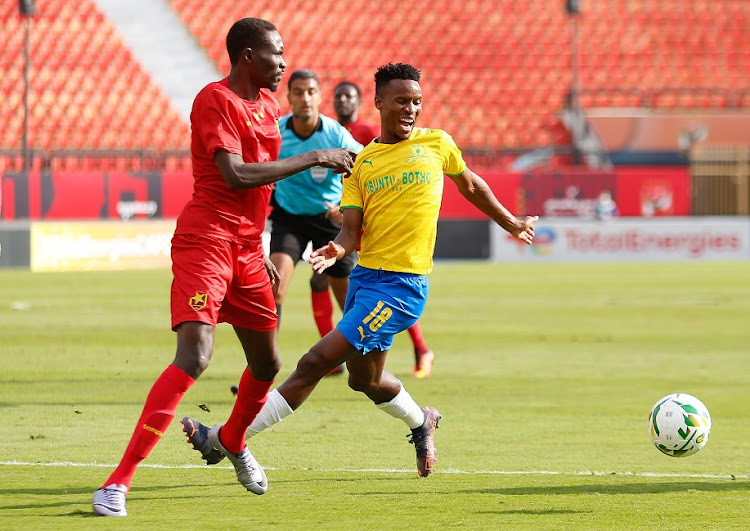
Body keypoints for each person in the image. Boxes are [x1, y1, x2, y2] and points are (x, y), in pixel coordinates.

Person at [183, 62, 537, 482]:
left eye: (417, 102)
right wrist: (337, 247)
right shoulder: (364, 163)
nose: (411, 109)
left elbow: (472, 185)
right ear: (380, 102)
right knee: (364, 380)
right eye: (402, 100)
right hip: (366, 279)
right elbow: (351, 229)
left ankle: (225, 439)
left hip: (402, 287)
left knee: (313, 361)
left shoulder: (437, 145)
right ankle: (422, 420)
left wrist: (511, 222)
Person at [91, 18, 355, 517]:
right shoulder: (214, 99)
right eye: (276, 54)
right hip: (205, 242)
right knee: (195, 356)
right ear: (248, 56)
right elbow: (234, 176)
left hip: (247, 249)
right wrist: (313, 157)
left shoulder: (267, 107)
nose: (283, 62)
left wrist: (259, 249)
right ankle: (116, 483)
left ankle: (233, 438)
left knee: (267, 364)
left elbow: (260, 194)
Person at [310, 80, 436, 378]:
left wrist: (353, 212)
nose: (343, 102)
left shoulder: (369, 136)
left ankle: (419, 348)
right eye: (338, 96)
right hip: (339, 220)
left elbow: (382, 179)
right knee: (320, 283)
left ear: (362, 102)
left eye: (349, 97)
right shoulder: (329, 133)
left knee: (381, 289)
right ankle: (337, 357)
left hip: (366, 228)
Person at [267, 70, 361, 354]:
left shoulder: (334, 133)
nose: (305, 98)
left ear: (319, 97)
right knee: (274, 289)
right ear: (289, 98)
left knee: (349, 303)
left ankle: (363, 363)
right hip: (289, 218)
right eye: (298, 92)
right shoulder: (277, 132)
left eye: (311, 92)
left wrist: (346, 207)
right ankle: (262, 367)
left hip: (330, 222)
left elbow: (363, 168)